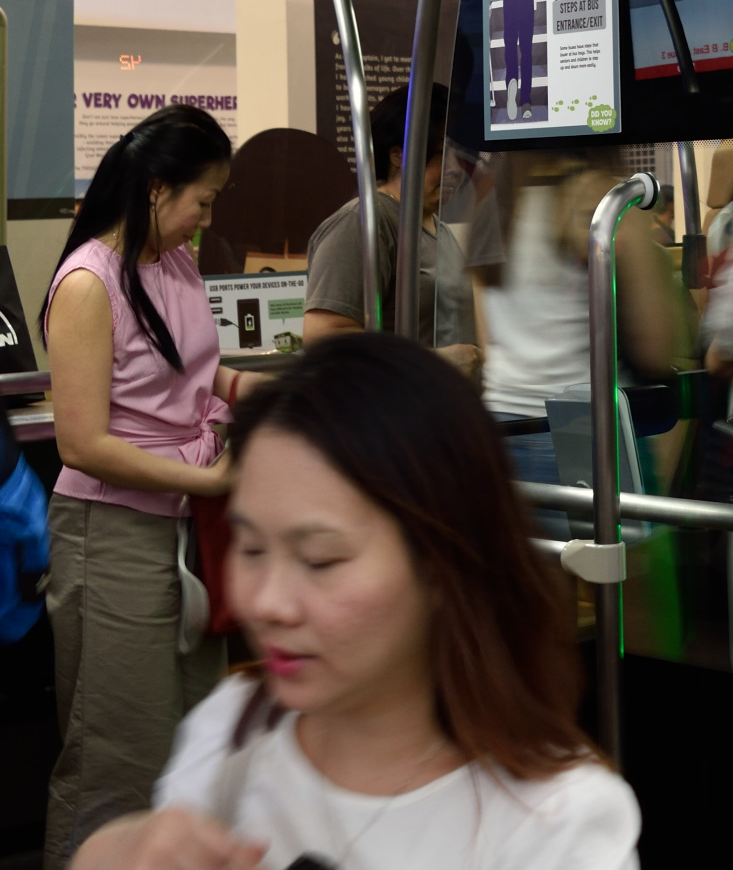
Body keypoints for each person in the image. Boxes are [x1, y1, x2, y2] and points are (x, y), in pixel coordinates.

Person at [70, 332, 640, 870]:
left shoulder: (559, 821)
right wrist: (127, 846)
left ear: (442, 562)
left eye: (320, 560)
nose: (268, 604)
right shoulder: (236, 726)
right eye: (249, 547)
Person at [41, 105, 264, 869]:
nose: (205, 219)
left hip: (183, 528)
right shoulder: (87, 284)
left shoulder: (175, 262)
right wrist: (211, 477)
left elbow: (195, 376)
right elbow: (84, 442)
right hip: (112, 535)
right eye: (201, 201)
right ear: (157, 189)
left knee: (195, 734)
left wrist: (252, 392)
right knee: (115, 754)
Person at [467, 149, 686, 481]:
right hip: (586, 430)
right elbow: (654, 346)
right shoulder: (612, 199)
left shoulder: (491, 198)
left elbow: (487, 340)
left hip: (500, 431)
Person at [302, 84, 478, 374]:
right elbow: (324, 338)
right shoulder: (365, 222)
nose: (456, 169)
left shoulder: (439, 230)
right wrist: (433, 362)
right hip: (389, 413)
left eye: (463, 157)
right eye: (443, 155)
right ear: (398, 155)